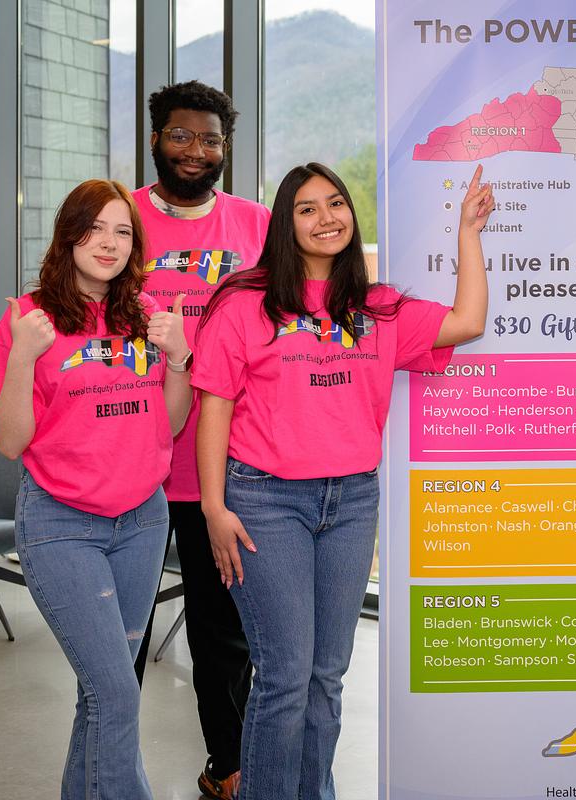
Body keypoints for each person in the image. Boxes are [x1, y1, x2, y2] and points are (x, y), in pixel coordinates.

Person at [193, 161, 493, 800]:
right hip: (265, 499)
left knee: (327, 675)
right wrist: (214, 508)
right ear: (285, 222)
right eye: (307, 208)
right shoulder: (246, 303)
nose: (326, 217)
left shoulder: (379, 308)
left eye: (336, 204)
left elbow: (467, 323)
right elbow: (214, 404)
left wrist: (468, 231)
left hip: (352, 501)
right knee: (283, 674)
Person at [0, 179, 193, 799]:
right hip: (62, 524)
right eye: (95, 227)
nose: (108, 242)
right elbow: (9, 442)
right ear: (68, 233)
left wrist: (178, 359)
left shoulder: (144, 317)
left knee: (102, 695)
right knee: (117, 692)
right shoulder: (28, 318)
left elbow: (172, 424)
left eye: (122, 231)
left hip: (142, 523)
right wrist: (22, 357)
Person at [131, 79, 270, 800]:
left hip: (223, 466)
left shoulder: (256, 224)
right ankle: (110, 773)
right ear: (156, 138)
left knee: (224, 636)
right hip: (131, 463)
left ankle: (227, 769)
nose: (196, 151)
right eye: (181, 136)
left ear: (226, 147)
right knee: (121, 637)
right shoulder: (117, 219)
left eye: (211, 139)